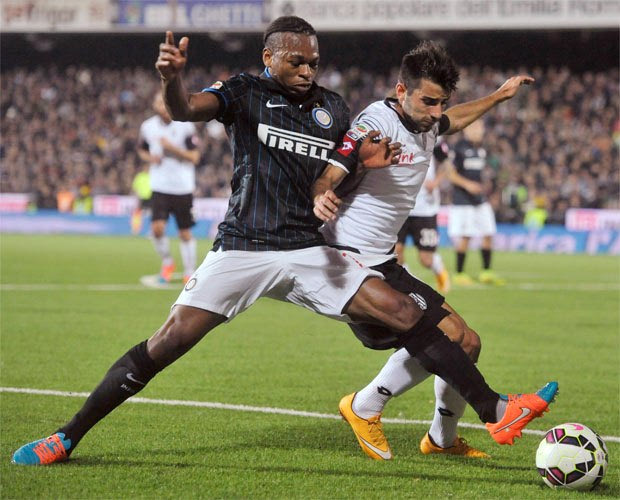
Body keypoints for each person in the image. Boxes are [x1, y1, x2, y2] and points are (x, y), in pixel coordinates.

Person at [12, 19, 555, 467]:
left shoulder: (333, 109)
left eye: (313, 62)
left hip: (306, 248)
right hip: (243, 245)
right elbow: (184, 110)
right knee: (167, 343)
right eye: (297, 61)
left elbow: (343, 162)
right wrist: (171, 80)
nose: (307, 70)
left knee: (403, 311)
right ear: (269, 56)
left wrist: (355, 170)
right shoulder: (243, 92)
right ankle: (67, 436)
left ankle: (492, 409)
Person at [313, 41, 557, 460]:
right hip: (351, 261)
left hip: (382, 260)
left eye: (441, 102)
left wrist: (498, 96)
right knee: (446, 337)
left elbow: (452, 120)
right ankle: (365, 405)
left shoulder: (427, 120)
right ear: (401, 90)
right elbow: (333, 169)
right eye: (428, 101)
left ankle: (441, 440)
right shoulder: (375, 123)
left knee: (468, 342)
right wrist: (322, 194)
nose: (435, 111)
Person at [137, 92, 200, 283]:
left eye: (165, 102)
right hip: (160, 185)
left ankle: (189, 271)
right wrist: (150, 158)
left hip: (182, 187)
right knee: (156, 229)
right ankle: (167, 262)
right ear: (154, 106)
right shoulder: (147, 126)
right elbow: (141, 150)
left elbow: (194, 157)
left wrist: (172, 148)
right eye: (159, 102)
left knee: (185, 232)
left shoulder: (185, 125)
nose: (162, 105)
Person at [447, 119, 504, 286]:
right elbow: (450, 174)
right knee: (466, 236)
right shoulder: (458, 148)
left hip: (480, 199)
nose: (480, 131)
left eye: (481, 127)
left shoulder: (481, 149)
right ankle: (459, 273)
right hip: (463, 200)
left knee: (488, 232)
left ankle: (486, 272)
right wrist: (468, 185)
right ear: (467, 129)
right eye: (476, 127)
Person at [395, 141, 451, 293]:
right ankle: (409, 284)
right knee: (396, 252)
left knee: (426, 259)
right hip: (401, 207)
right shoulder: (396, 136)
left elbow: (447, 164)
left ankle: (440, 270)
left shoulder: (432, 140)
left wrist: (436, 182)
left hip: (425, 209)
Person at [130, 164, 152, 235]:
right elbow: (135, 187)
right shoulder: (139, 176)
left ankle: (152, 230)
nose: (147, 169)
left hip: (151, 197)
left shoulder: (153, 176)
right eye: (146, 167)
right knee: (137, 212)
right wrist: (137, 195)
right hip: (141, 197)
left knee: (153, 214)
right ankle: (135, 229)